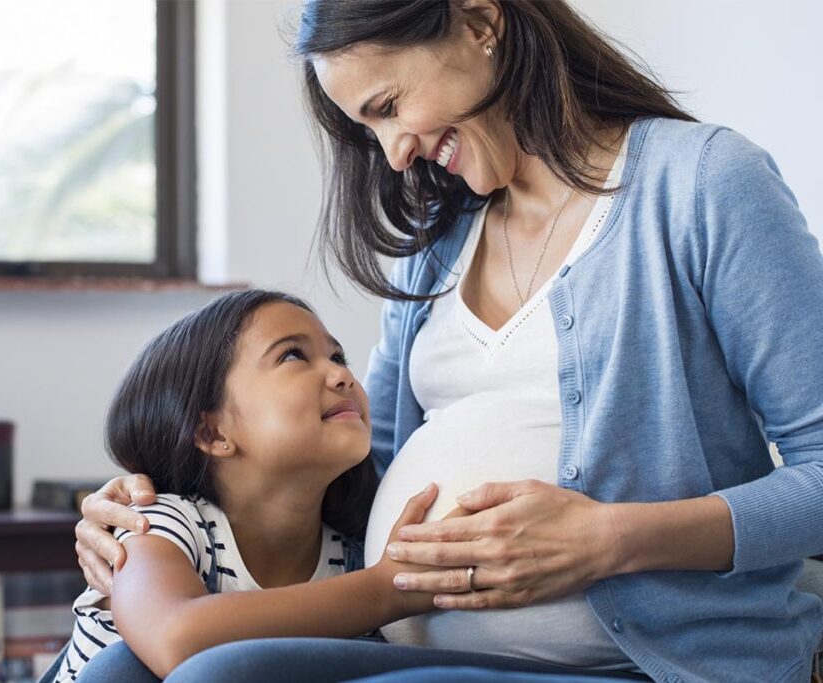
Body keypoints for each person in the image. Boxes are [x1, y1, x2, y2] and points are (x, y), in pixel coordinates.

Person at [72, 1, 823, 682]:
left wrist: (610, 539)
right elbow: (364, 476)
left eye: (390, 105)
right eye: (370, 129)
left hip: (636, 661)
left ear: (479, 22)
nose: (394, 153)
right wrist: (153, 507)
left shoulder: (701, 185)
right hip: (401, 641)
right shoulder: (434, 248)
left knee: (215, 679)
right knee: (114, 673)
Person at [51, 289, 450, 681]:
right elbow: (175, 638)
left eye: (337, 356)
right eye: (293, 355)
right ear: (212, 433)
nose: (342, 374)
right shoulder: (160, 525)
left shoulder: (352, 555)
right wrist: (386, 589)